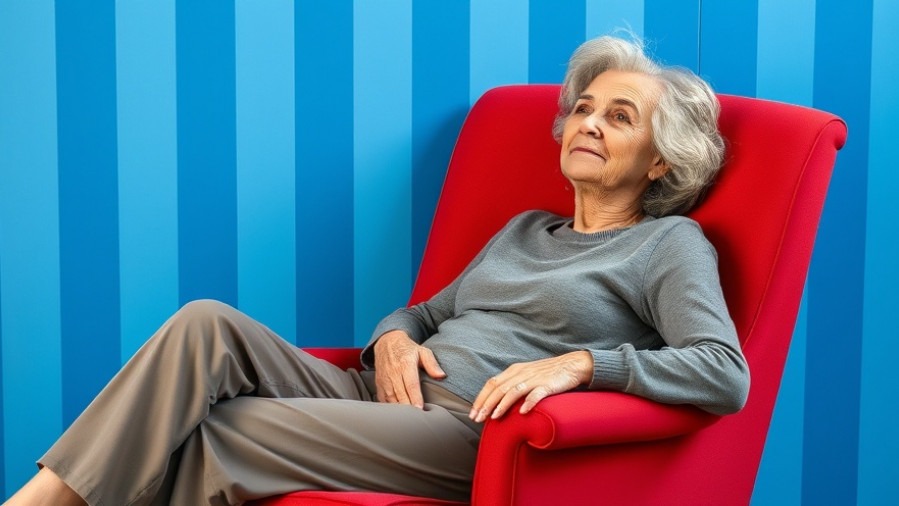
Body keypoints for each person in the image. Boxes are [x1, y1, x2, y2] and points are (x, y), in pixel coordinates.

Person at [5, 35, 749, 505]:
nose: (587, 122)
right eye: (583, 108)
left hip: (464, 432)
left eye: (618, 116)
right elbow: (424, 314)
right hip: (374, 392)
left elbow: (722, 372)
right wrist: (390, 340)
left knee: (228, 429)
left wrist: (585, 365)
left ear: (660, 160)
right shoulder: (526, 230)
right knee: (205, 323)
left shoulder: (667, 244)